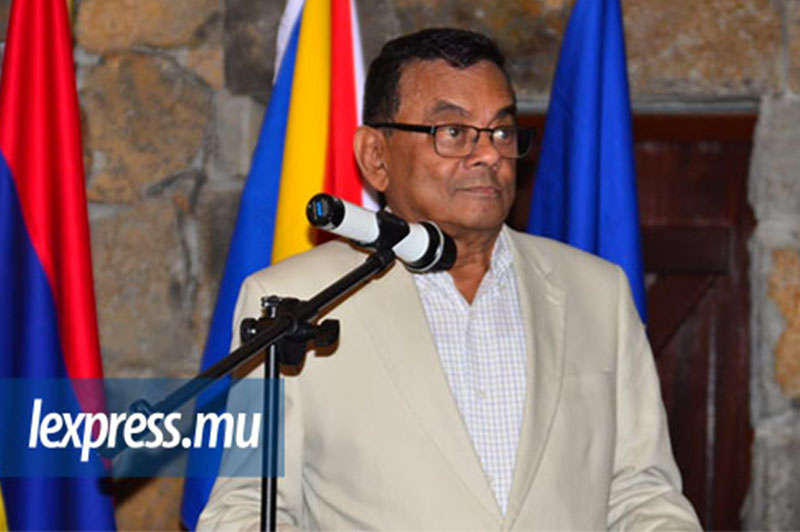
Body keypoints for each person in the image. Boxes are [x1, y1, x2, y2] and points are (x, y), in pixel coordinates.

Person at [198, 28, 701, 530]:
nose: (489, 154)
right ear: (375, 156)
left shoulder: (598, 293)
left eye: (502, 131)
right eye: (454, 132)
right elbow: (244, 510)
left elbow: (642, 494)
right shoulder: (293, 302)